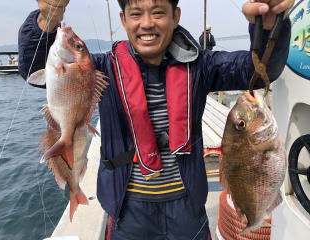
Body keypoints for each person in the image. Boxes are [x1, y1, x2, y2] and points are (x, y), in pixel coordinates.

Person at [18, 0, 294, 239]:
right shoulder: (100, 68)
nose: (147, 24)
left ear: (176, 17)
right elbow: (35, 68)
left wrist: (269, 27)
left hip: (187, 204)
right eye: (136, 14)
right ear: (123, 20)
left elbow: (261, 69)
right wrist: (47, 19)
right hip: (128, 208)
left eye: (158, 12)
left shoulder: (202, 65)